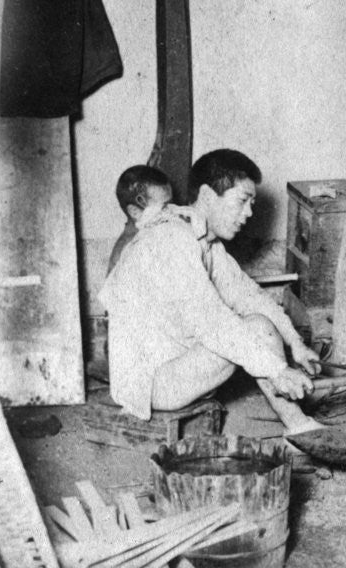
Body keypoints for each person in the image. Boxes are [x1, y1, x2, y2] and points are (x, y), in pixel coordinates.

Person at [99, 148, 320, 419]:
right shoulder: (171, 239)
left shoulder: (201, 238)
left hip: (175, 365)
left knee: (256, 322)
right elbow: (213, 323)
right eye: (243, 201)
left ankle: (298, 425)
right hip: (149, 384)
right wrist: (278, 370)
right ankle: (298, 425)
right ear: (206, 196)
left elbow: (250, 297)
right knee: (256, 331)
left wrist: (295, 343)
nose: (249, 213)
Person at [106, 164, 174, 276]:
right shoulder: (131, 249)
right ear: (135, 212)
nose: (172, 211)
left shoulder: (152, 234)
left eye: (172, 204)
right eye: (164, 207)